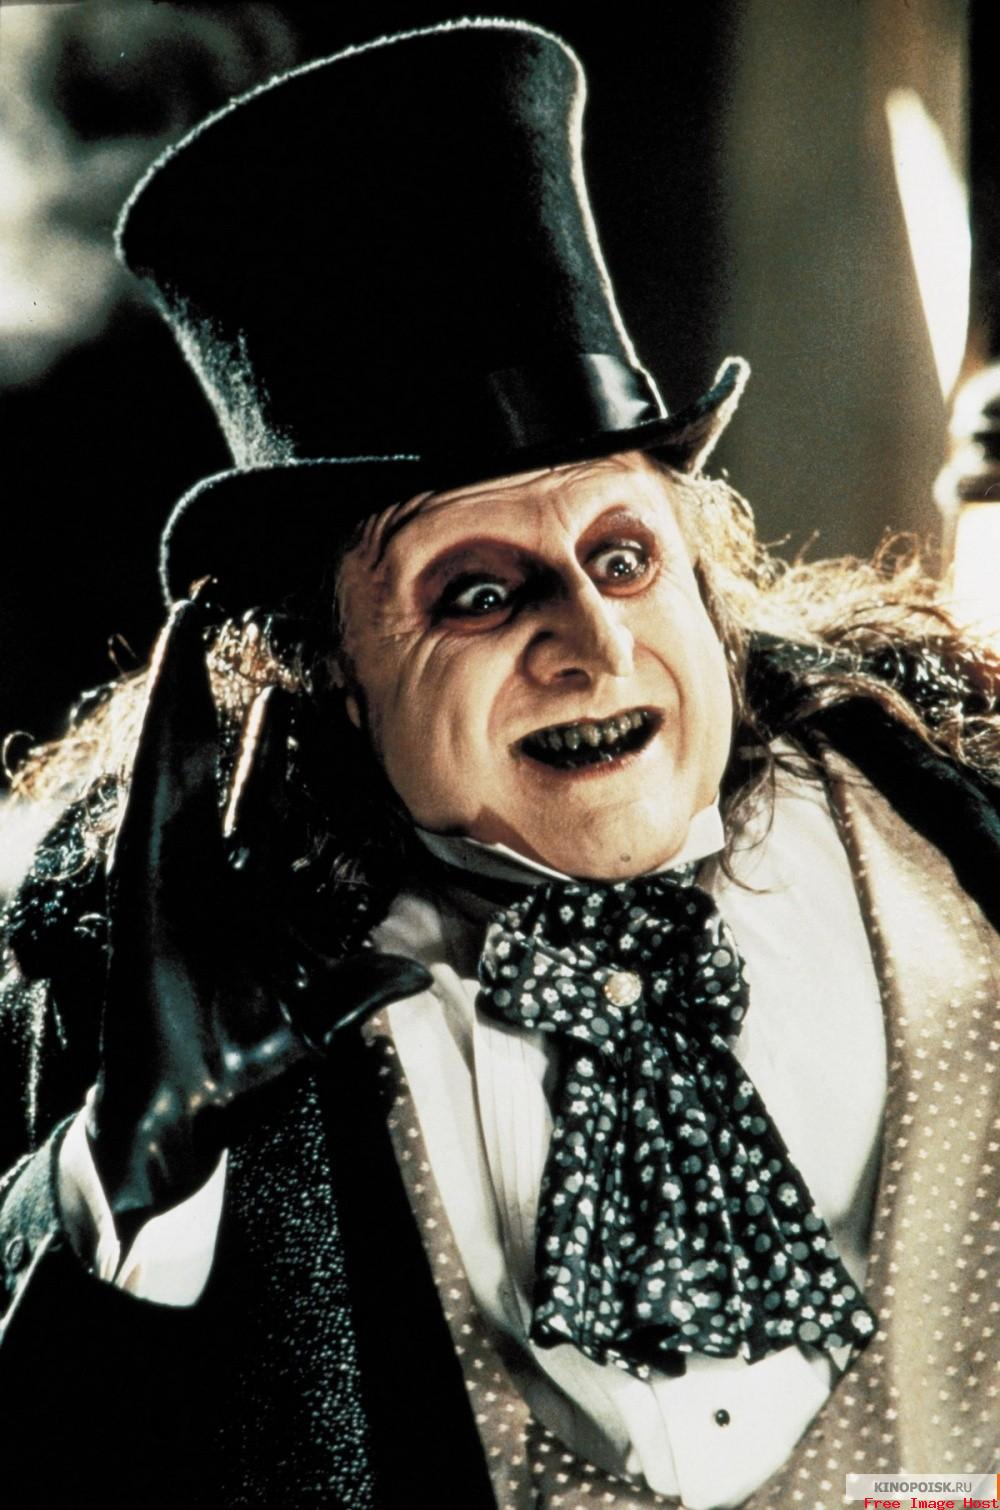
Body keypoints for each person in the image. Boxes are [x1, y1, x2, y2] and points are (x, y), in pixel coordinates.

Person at [2, 19, 999, 1510]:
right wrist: (135, 1178)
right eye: (478, 592)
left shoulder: (958, 828)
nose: (592, 644)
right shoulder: (163, 992)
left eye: (624, 556)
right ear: (326, 670)